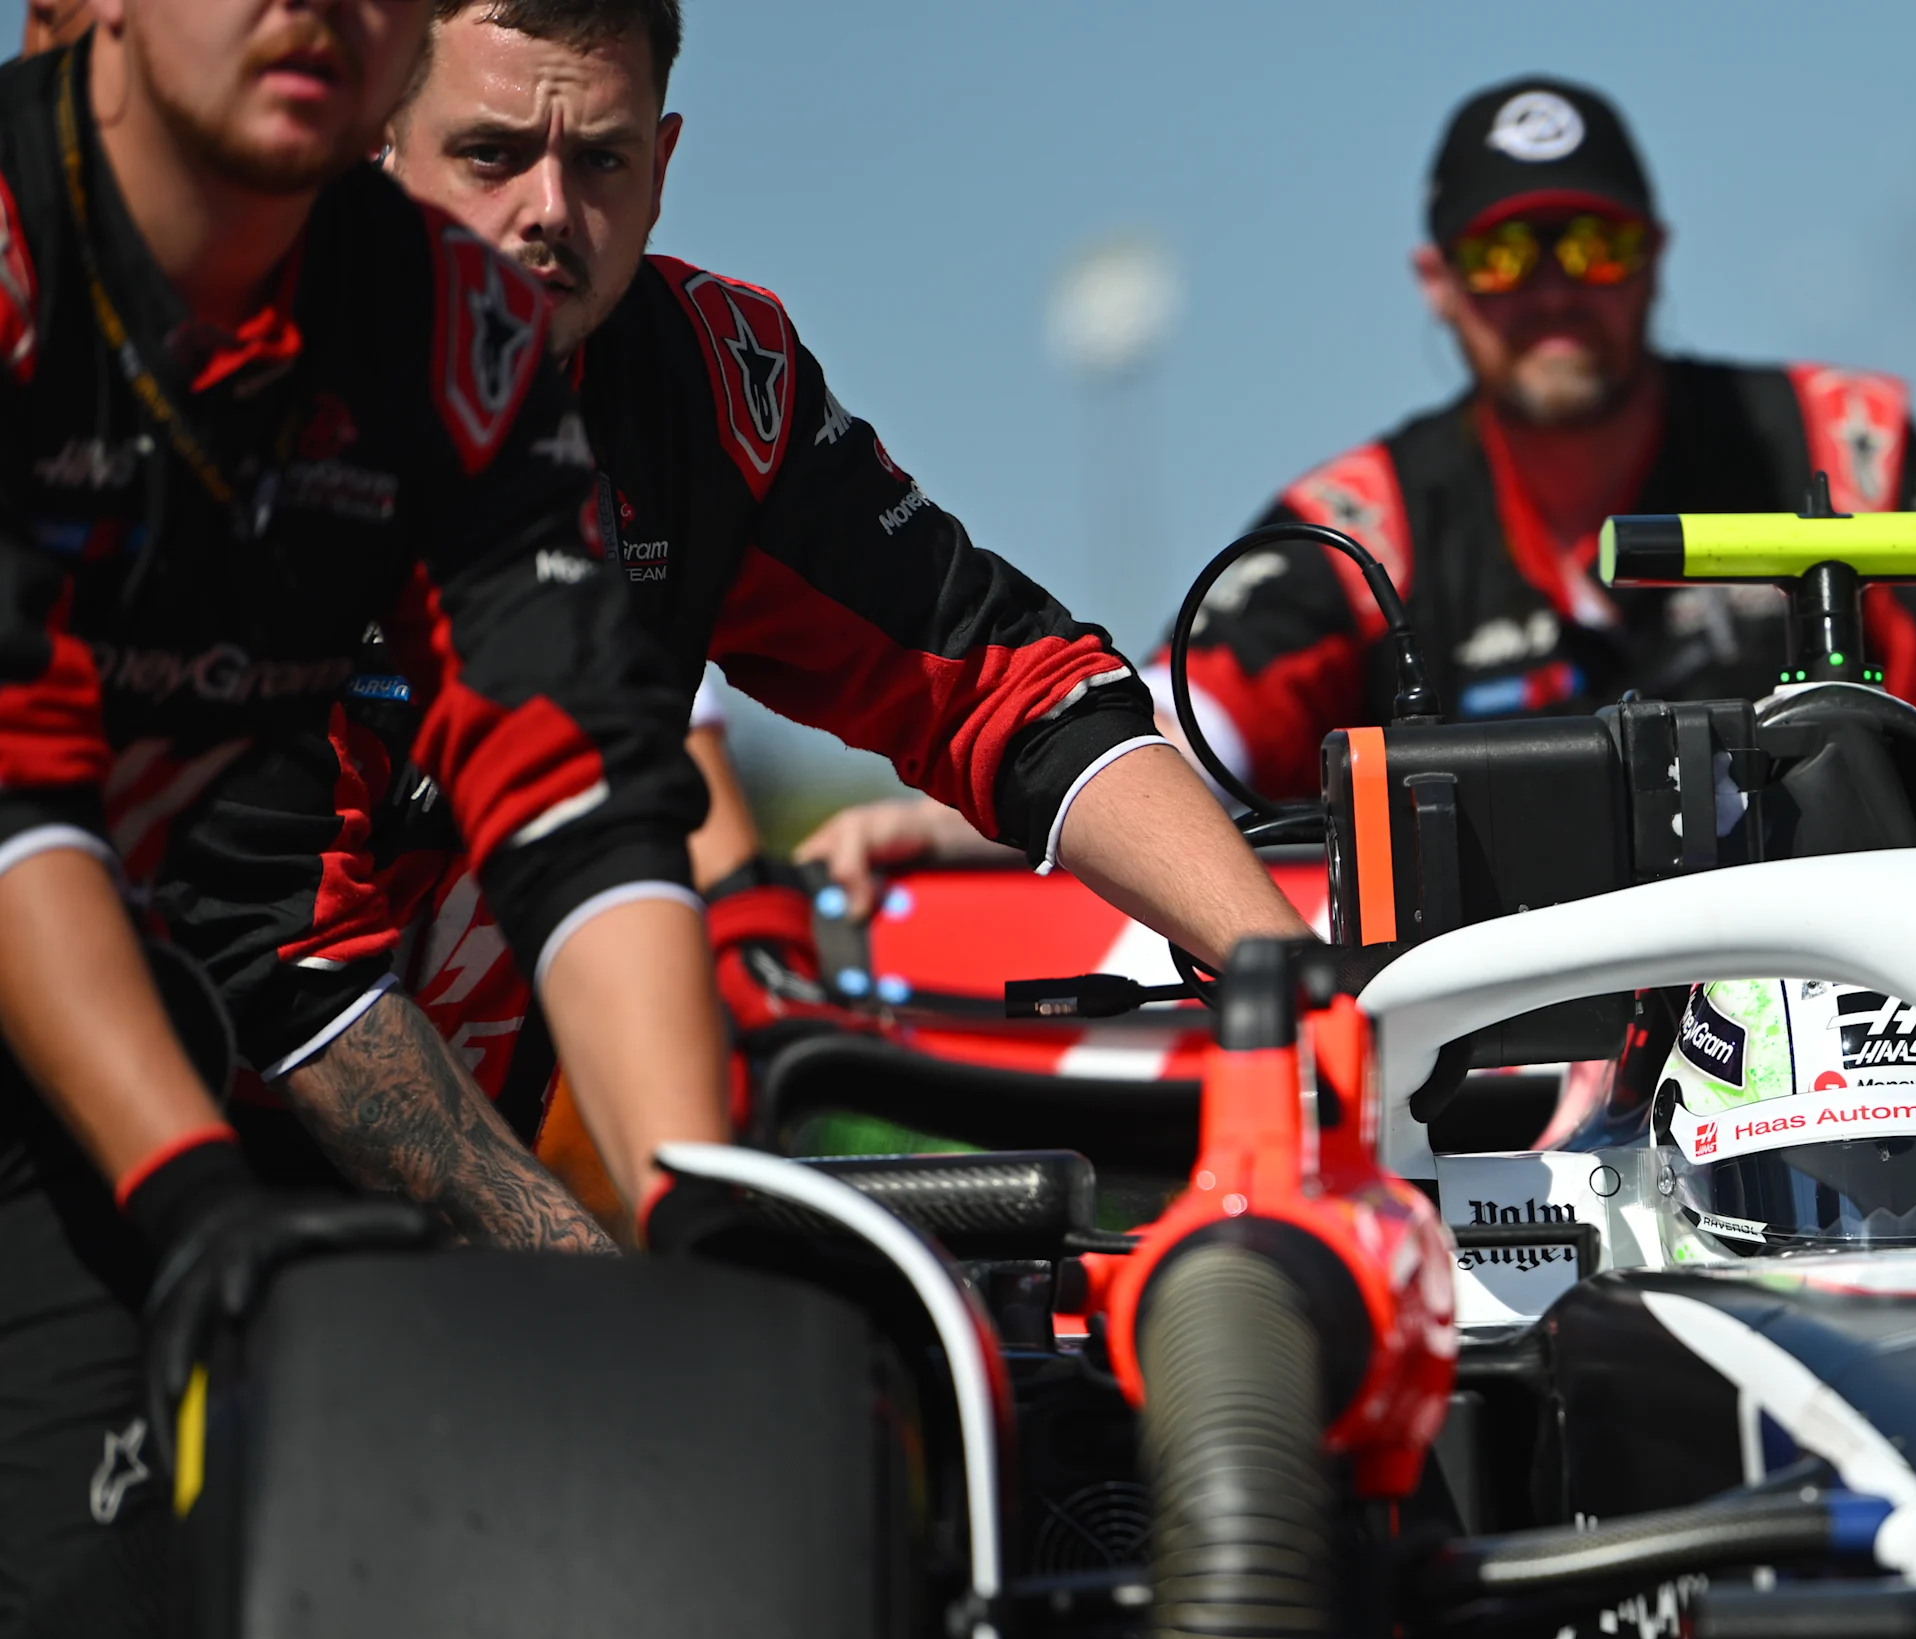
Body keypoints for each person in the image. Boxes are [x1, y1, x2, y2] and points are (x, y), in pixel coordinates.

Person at [0, 0, 731, 1639]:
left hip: (117, 1030)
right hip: (72, 979)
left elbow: (575, 795)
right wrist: (198, 1187)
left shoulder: (435, 320)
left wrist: (702, 1251)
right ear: (77, 10)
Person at [246, 0, 1307, 1243]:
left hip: (448, 1221)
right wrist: (570, 1261)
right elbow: (281, 958)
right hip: (126, 1190)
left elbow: (994, 682)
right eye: (490, 155)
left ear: (663, 170)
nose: (547, 212)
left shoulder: (710, 384)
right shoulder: (245, 391)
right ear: (378, 141)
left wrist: (1291, 979)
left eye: (600, 160)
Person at [799, 76, 1916, 911]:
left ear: (1656, 250)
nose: (1556, 288)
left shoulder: (1835, 442)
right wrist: (932, 825)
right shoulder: (1360, 522)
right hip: (1513, 1080)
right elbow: (1182, 728)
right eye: (1509, 255)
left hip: (1875, 1029)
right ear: (1438, 285)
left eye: (1594, 244)